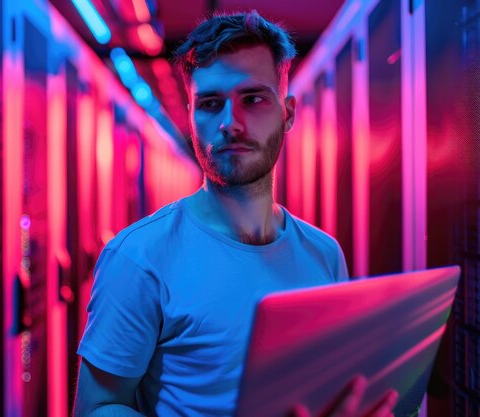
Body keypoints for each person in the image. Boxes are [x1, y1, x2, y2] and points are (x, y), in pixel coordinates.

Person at [74, 10, 396, 417]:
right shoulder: (139, 257)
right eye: (210, 104)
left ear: (288, 112)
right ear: (191, 117)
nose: (231, 123)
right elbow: (98, 406)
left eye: (254, 99)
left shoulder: (324, 254)